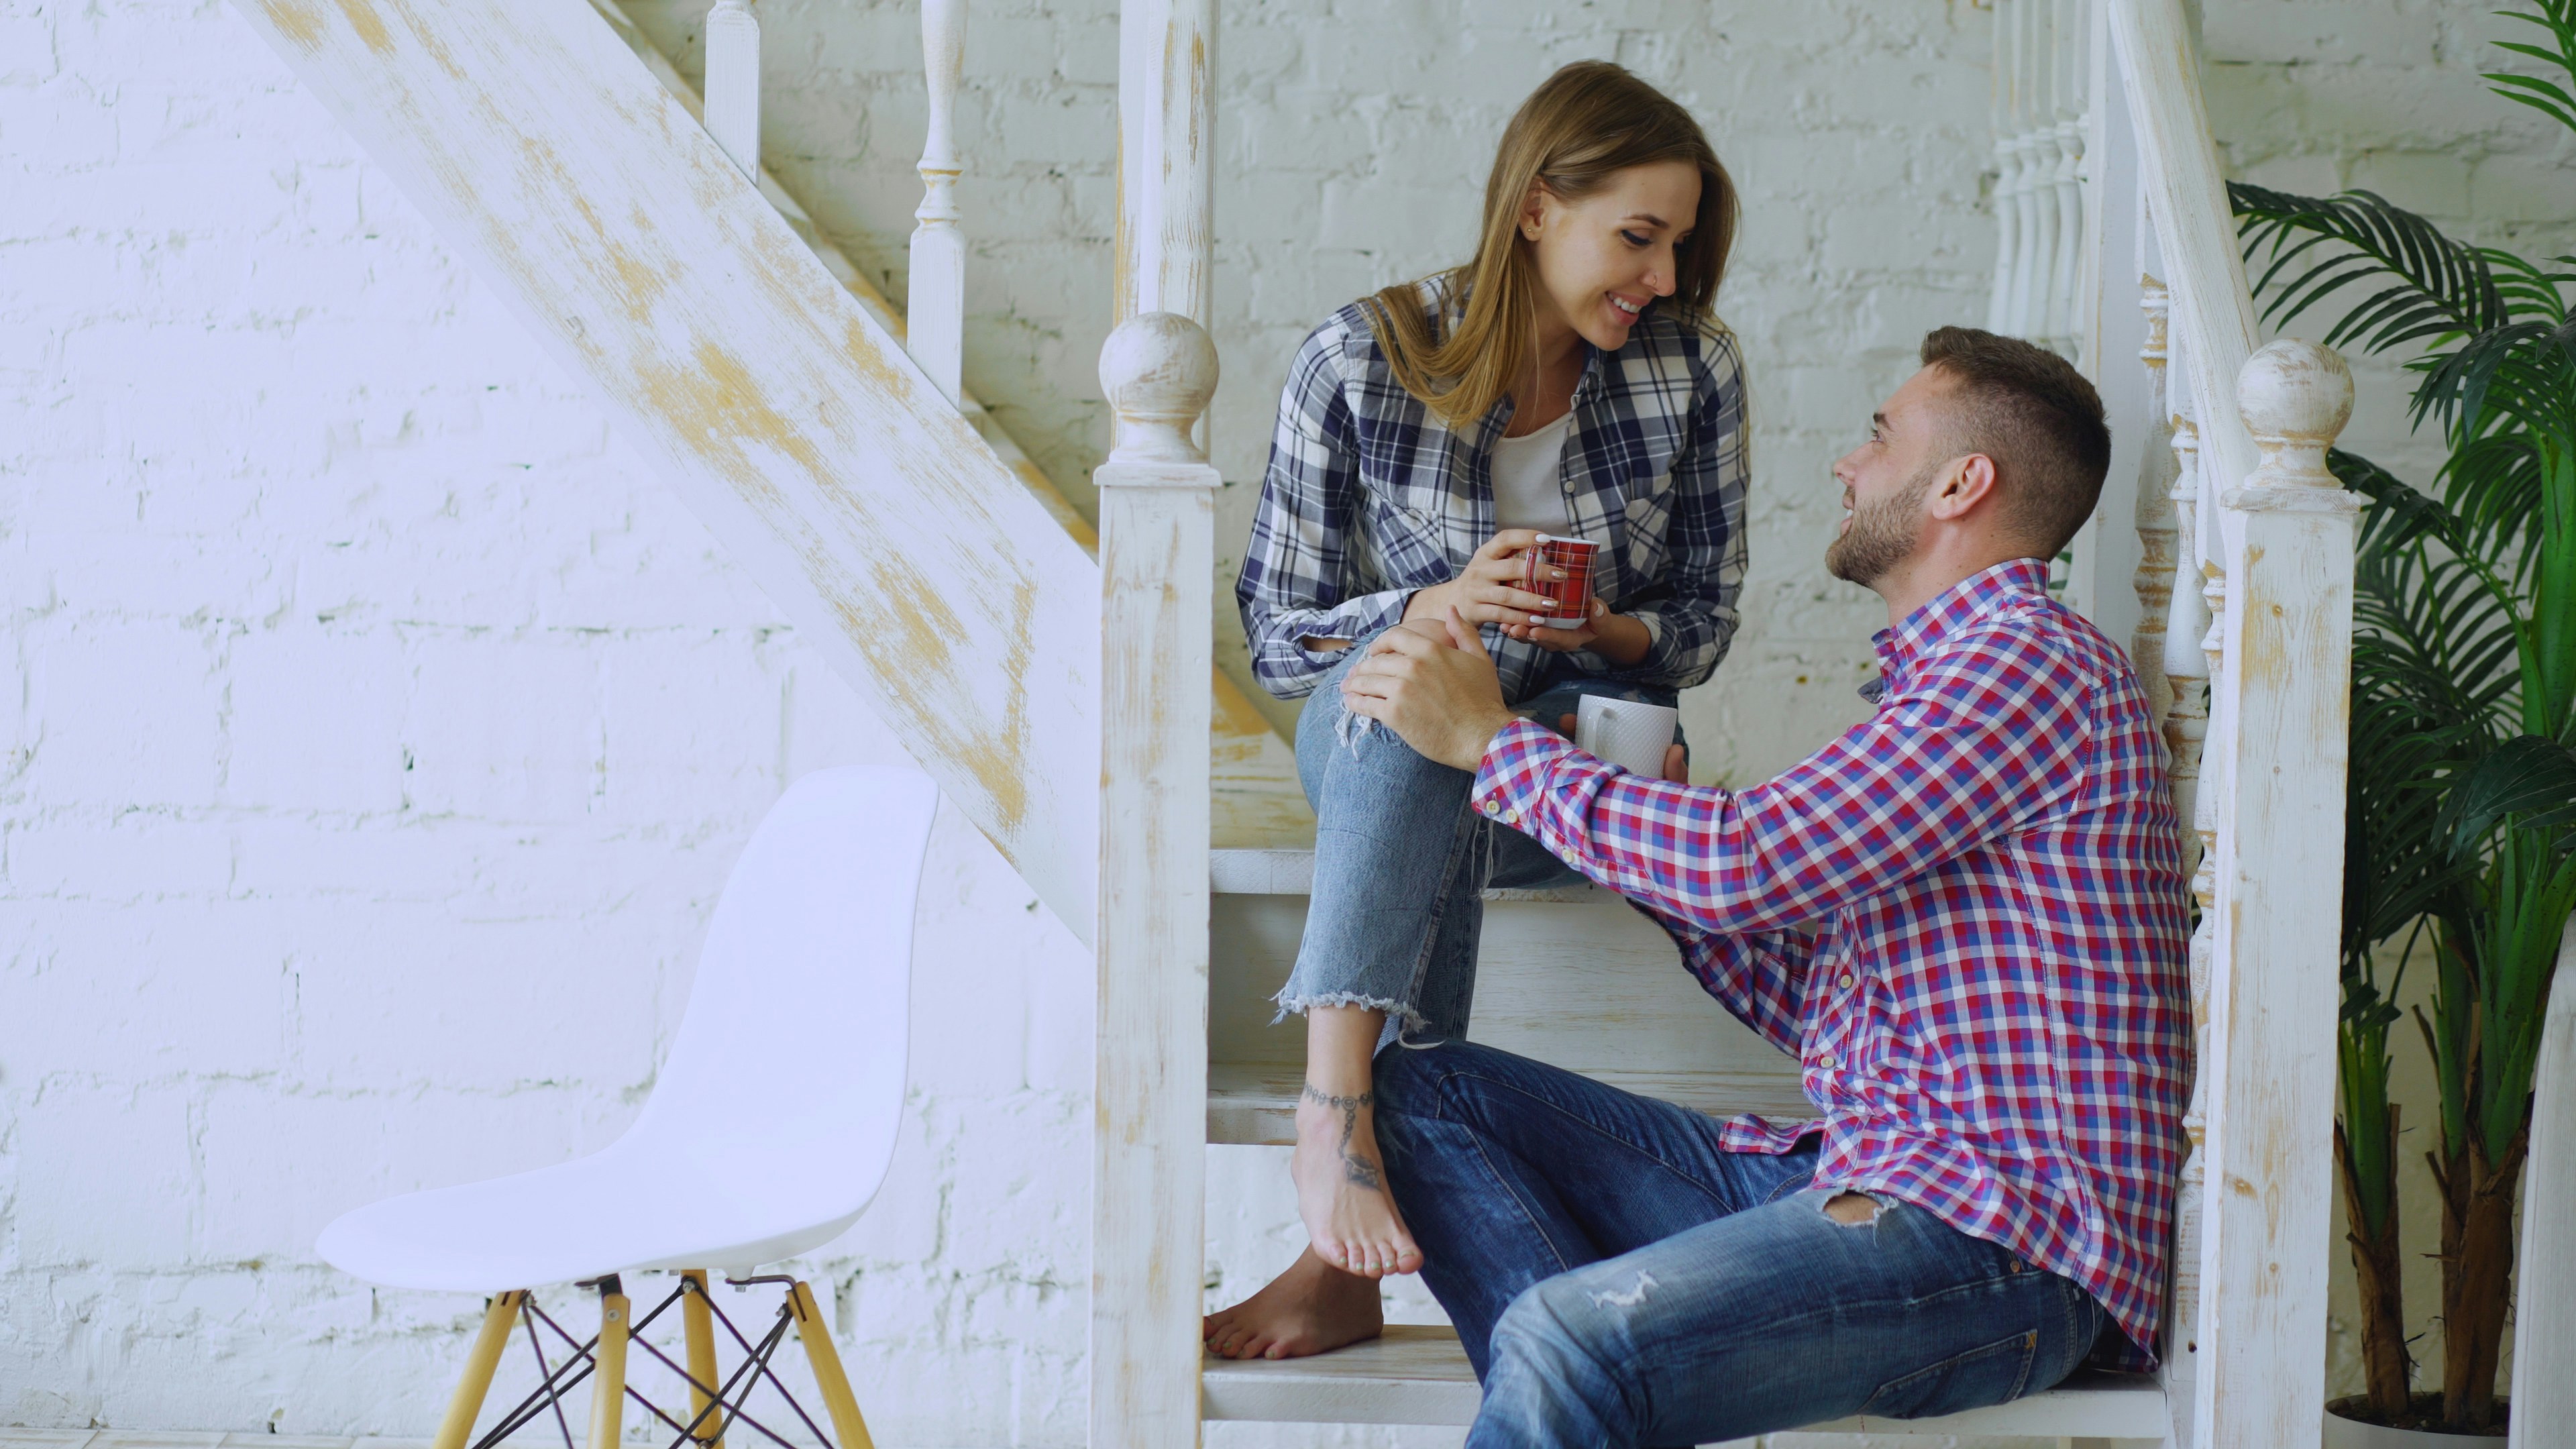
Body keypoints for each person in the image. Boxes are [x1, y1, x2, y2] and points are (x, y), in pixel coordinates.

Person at [1332, 327, 2189, 1446]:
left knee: (1566, 1338)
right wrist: (1658, 863)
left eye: (1880, 436)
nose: (1847, 463)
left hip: (1999, 1239)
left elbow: (1749, 865)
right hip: (1865, 1174)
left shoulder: (2025, 664)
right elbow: (1820, 998)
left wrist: (1491, 746)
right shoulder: (1948, 684)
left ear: (1961, 483)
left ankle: (1579, 1382)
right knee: (1420, 1095)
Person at [1209, 60, 1750, 1362]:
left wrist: (1597, 630)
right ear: (1535, 208)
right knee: (1413, 691)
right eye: (1638, 237)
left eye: (1678, 246)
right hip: (1390, 734)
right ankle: (1338, 1113)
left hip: (1561, 767)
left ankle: (1337, 1231)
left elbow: (1704, 622)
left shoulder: (1695, 369)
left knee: (1449, 728)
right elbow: (1279, 640)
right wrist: (1437, 602)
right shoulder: (1359, 357)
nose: (1663, 278)